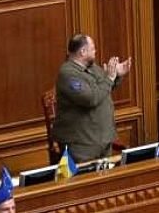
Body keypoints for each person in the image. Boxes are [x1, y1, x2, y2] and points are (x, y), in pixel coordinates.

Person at [53, 33, 132, 163]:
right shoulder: (68, 74)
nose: (95, 51)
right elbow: (91, 99)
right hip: (82, 145)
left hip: (102, 140)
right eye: (93, 48)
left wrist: (117, 75)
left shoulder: (92, 68)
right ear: (82, 52)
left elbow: (103, 89)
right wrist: (109, 78)